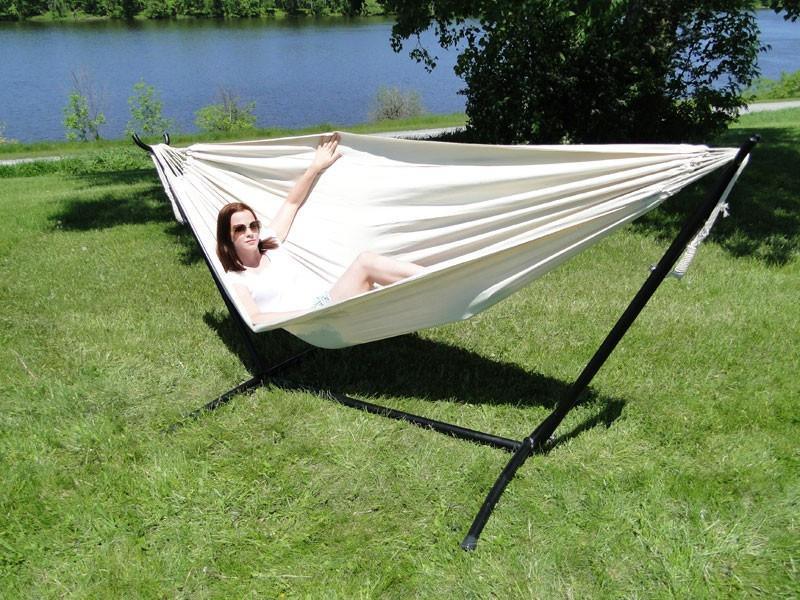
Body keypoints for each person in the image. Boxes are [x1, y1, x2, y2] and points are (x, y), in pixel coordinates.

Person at [216, 134, 423, 325]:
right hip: (312, 314)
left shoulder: (270, 242)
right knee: (365, 262)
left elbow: (291, 203)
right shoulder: (237, 278)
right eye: (240, 229)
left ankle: (435, 282)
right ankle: (435, 282)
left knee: (367, 266)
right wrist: (306, 313)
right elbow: (254, 317)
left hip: (324, 300)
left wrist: (315, 167)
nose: (250, 232)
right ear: (228, 237)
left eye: (253, 225)